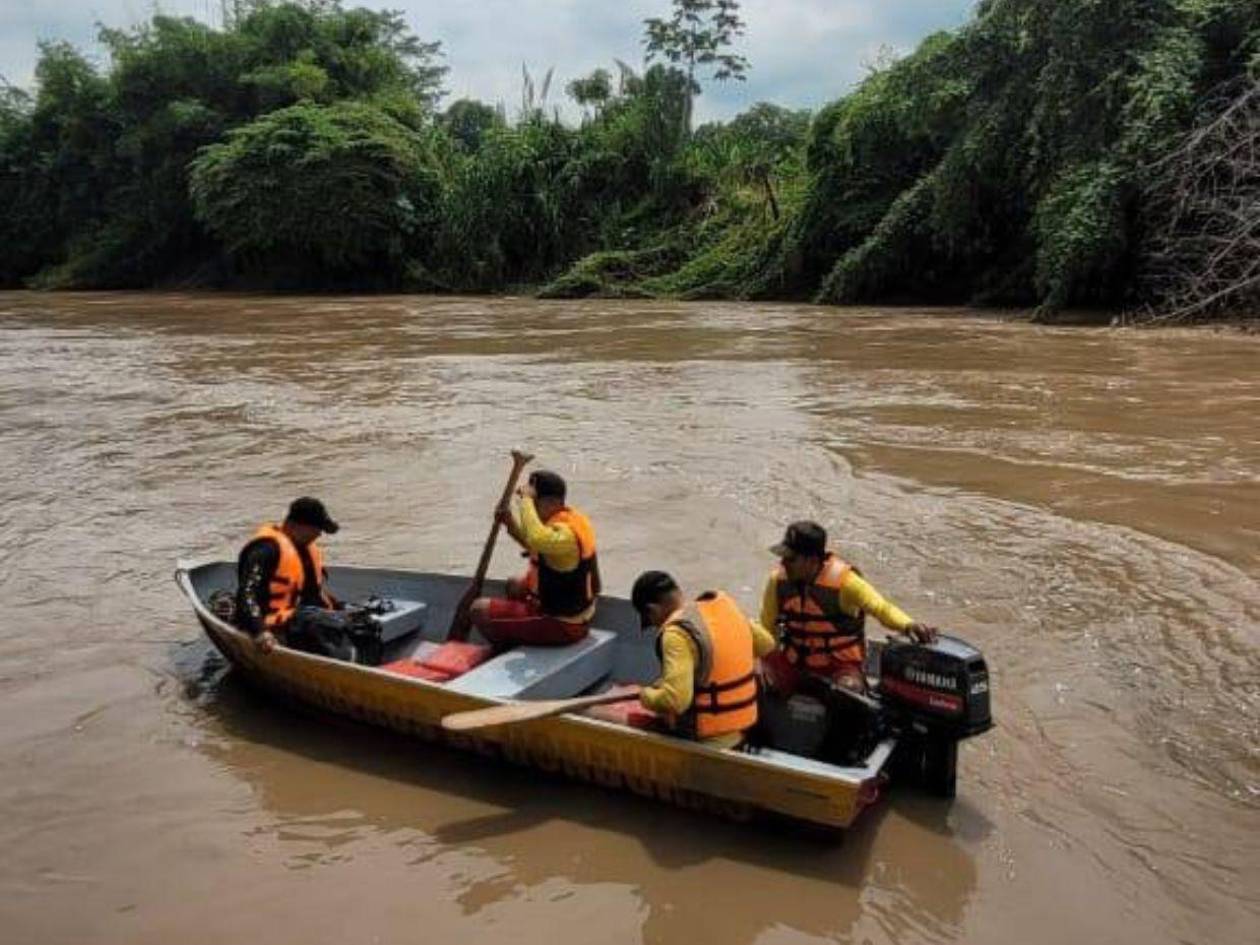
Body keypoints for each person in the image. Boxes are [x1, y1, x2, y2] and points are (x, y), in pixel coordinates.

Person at [761, 520, 936, 693]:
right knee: (758, 679)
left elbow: (881, 608)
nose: (783, 562)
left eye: (790, 558)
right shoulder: (777, 582)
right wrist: (765, 663)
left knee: (848, 690)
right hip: (794, 664)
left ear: (812, 560)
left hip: (839, 667)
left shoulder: (847, 583)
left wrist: (908, 624)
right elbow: (767, 627)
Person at [630, 570, 776, 749]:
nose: (655, 626)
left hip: (709, 743)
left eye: (650, 620)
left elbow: (675, 700)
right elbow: (766, 644)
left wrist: (645, 696)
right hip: (747, 729)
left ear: (652, 609)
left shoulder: (676, 634)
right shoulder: (724, 607)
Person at [469, 469, 600, 647]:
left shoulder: (566, 535)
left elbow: (537, 539)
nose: (529, 509)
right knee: (513, 584)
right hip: (566, 606)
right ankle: (518, 629)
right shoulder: (566, 519)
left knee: (478, 609)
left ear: (552, 503)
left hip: (563, 624)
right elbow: (537, 545)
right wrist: (511, 524)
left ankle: (504, 647)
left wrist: (525, 500)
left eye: (534, 503)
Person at [235, 497, 350, 659]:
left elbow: (313, 593)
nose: (319, 534)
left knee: (359, 623)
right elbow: (247, 594)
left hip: (305, 619)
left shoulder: (305, 548)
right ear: (294, 525)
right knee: (324, 635)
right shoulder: (265, 550)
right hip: (274, 625)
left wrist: (342, 610)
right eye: (316, 529)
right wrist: (260, 631)